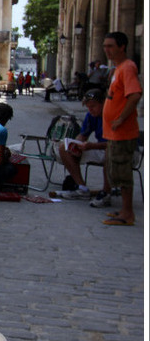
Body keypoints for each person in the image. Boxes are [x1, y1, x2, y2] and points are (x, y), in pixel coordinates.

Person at [100, 31, 142, 226]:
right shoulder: (118, 68)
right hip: (114, 133)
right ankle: (124, 210)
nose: (107, 50)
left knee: (123, 174)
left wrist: (120, 118)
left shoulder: (127, 68)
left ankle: (127, 214)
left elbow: (134, 95)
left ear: (121, 47)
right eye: (105, 46)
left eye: (110, 46)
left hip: (123, 132)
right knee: (115, 171)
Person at [55, 89, 109, 200]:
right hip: (101, 148)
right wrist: (74, 144)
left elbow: (114, 144)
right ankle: (82, 187)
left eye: (93, 106)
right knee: (64, 148)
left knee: (110, 152)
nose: (90, 110)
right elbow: (83, 135)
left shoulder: (111, 114)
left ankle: (106, 192)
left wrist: (91, 146)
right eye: (88, 107)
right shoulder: (91, 115)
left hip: (115, 149)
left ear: (103, 103)